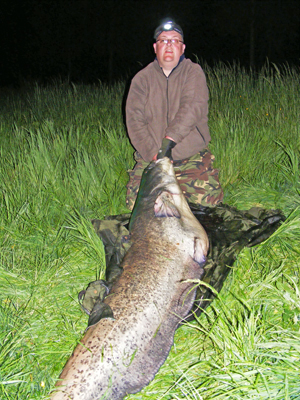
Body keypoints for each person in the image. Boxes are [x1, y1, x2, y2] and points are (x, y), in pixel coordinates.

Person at [125, 18, 223, 210]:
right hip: (152, 158)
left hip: (190, 155)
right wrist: (154, 153)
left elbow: (192, 108)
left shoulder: (193, 72)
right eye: (163, 40)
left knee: (208, 204)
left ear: (183, 47)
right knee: (134, 207)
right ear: (155, 47)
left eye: (174, 40)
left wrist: (168, 143)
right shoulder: (141, 79)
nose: (169, 45)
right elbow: (134, 120)